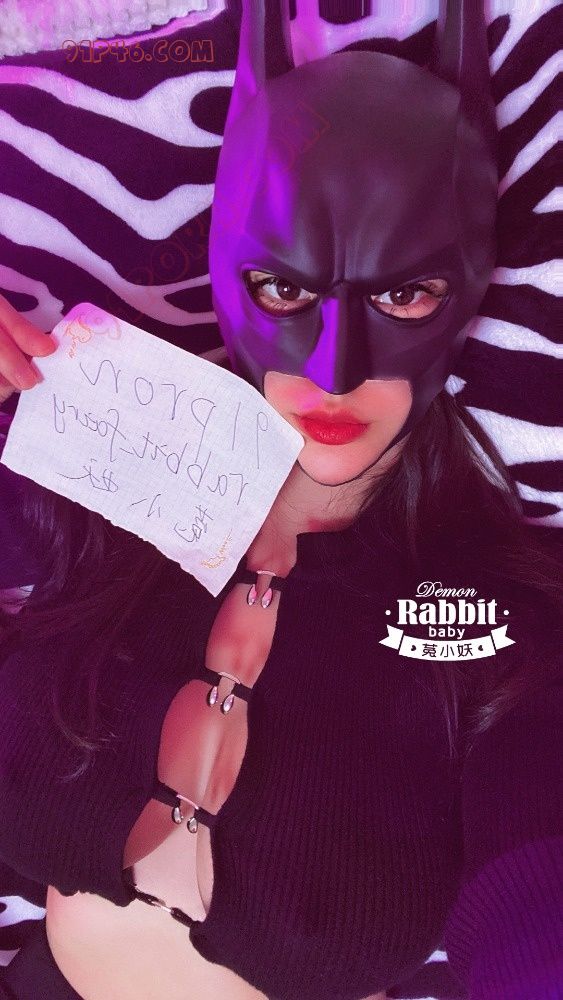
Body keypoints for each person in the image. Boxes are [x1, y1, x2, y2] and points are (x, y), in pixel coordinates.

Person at [0, 2, 561, 999]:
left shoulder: (487, 622)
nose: (335, 371)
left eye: (403, 295)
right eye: (284, 291)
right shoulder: (94, 487)